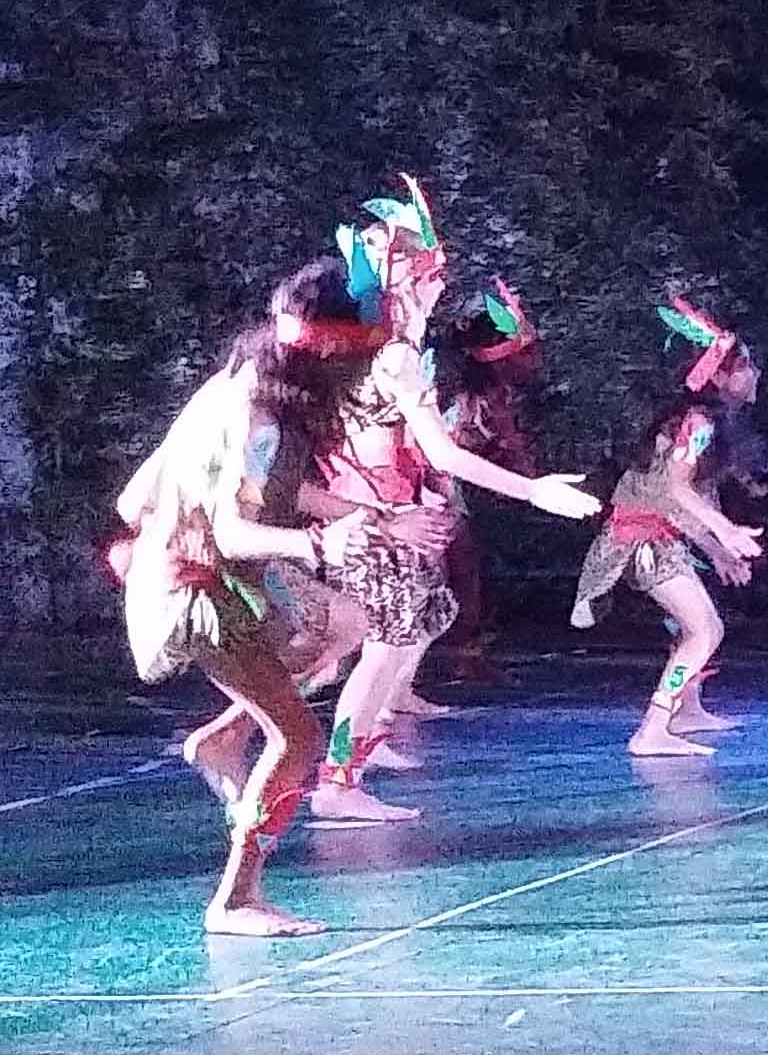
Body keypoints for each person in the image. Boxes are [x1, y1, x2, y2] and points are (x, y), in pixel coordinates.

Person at [110, 257, 426, 935]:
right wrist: (320, 545)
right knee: (298, 737)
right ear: (333, 350)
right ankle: (236, 899)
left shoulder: (243, 382)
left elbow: (248, 488)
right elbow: (233, 530)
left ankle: (225, 738)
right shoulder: (261, 421)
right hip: (200, 590)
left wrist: (368, 515)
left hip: (215, 573)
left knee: (345, 622)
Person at [307, 178, 602, 824]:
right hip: (382, 519)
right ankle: (335, 781)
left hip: (380, 512)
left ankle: (351, 763)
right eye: (429, 269)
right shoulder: (395, 357)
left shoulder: (375, 350)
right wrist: (535, 491)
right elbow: (442, 454)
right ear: (405, 277)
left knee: (401, 640)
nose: (440, 281)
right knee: (382, 652)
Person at [570, 296, 768, 759]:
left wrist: (717, 550)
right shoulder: (697, 423)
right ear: (718, 377)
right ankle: (653, 728)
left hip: (655, 537)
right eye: (745, 366)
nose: (754, 373)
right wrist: (726, 533)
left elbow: (684, 499)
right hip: (640, 541)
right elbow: (677, 490)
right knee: (704, 631)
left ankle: (685, 710)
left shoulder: (702, 424)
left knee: (696, 627)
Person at [432, 283, 540, 681]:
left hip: (445, 485)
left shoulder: (491, 396)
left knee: (464, 570)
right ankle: (462, 653)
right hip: (429, 485)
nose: (536, 359)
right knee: (459, 570)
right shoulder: (474, 400)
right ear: (504, 357)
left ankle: (465, 652)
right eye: (528, 351)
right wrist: (533, 485)